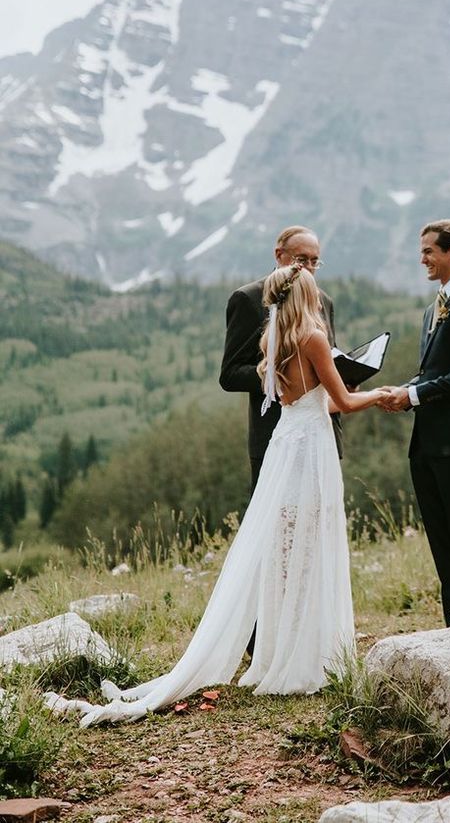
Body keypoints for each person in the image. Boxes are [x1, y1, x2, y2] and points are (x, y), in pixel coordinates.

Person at [48, 265, 385, 726]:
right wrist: (385, 393)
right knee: (310, 543)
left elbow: (303, 399)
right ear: (306, 294)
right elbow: (340, 402)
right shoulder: (312, 337)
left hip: (285, 445)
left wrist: (347, 394)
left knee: (285, 548)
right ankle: (306, 657)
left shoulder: (273, 341)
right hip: (310, 450)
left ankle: (282, 651)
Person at [380, 219, 450, 627]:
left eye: (429, 250)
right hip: (428, 441)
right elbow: (434, 371)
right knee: (442, 543)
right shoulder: (435, 307)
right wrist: (406, 389)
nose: (423, 258)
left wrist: (414, 394)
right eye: (422, 250)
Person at [219, 225, 341, 494]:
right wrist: (281, 378)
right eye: (301, 260)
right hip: (275, 435)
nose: (308, 267)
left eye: (314, 261)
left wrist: (346, 378)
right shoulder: (249, 299)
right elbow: (230, 374)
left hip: (322, 433)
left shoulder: (324, 301)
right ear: (279, 255)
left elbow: (328, 358)